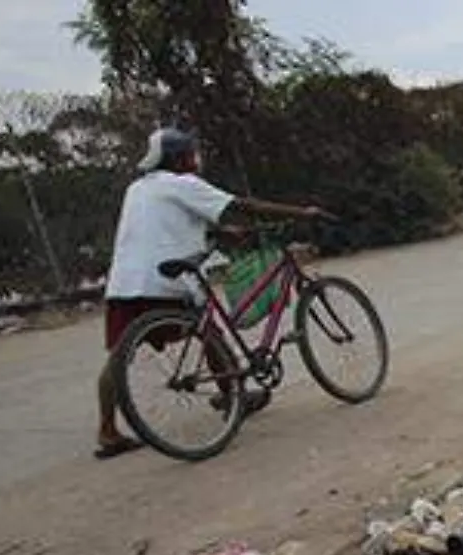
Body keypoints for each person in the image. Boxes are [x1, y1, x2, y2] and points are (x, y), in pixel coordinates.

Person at [96, 128, 329, 459]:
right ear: (179, 158)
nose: (196, 159)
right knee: (210, 334)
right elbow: (243, 205)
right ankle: (233, 396)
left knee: (119, 355)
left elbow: (165, 223)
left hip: (125, 282)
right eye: (192, 153)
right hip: (167, 281)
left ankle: (107, 431)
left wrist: (220, 232)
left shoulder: (138, 189)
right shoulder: (183, 183)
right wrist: (300, 213)